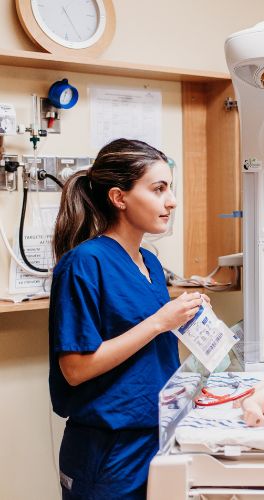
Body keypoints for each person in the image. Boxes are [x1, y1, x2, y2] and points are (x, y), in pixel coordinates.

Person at [49, 138, 209, 499]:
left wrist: (188, 318)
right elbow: (75, 369)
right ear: (119, 198)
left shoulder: (149, 262)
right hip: (108, 450)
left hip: (156, 434)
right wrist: (159, 321)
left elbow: (147, 345)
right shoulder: (84, 264)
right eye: (158, 189)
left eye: (170, 188)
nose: (171, 201)